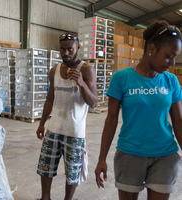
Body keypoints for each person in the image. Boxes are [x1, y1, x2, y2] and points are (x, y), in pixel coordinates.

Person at [95, 21, 182, 200]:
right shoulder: (121, 78)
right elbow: (110, 120)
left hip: (164, 155)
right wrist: (102, 158)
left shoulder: (171, 81)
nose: (172, 63)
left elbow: (178, 121)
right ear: (151, 49)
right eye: (169, 56)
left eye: (175, 57)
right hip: (130, 155)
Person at [36, 32, 98, 200]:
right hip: (54, 127)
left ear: (78, 47)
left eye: (70, 49)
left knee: (72, 173)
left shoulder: (86, 70)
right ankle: (45, 198)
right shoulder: (54, 70)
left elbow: (93, 102)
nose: (66, 53)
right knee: (45, 167)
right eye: (62, 49)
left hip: (75, 132)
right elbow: (50, 99)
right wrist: (42, 124)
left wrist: (82, 84)